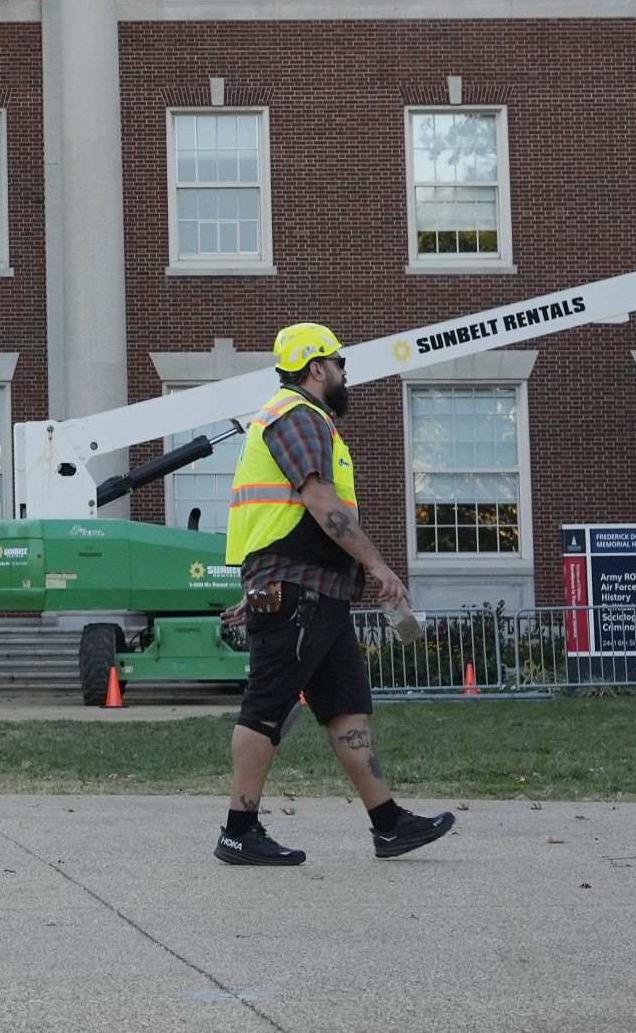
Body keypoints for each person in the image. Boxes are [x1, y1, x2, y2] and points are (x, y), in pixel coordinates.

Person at [215, 323, 456, 865]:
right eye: (340, 363)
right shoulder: (297, 416)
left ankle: (389, 823)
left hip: (314, 589)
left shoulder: (308, 420)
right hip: (299, 588)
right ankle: (239, 830)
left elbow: (279, 516)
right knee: (267, 706)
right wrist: (378, 566)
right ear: (316, 367)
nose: (346, 374)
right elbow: (320, 501)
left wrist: (258, 585)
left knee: (347, 707)